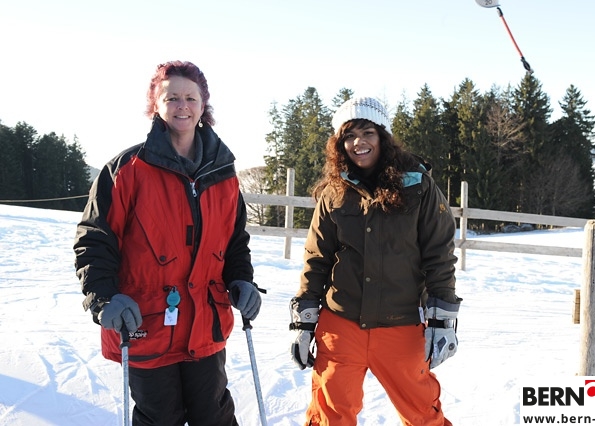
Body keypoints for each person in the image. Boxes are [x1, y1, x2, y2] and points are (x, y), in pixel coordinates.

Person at [73, 60, 262, 426]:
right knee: (160, 418)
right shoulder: (127, 170)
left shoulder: (223, 174)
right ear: (155, 105)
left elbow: (235, 241)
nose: (182, 106)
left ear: (203, 105)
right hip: (145, 324)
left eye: (190, 98)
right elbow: (94, 240)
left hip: (205, 323)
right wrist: (104, 297)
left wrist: (241, 279)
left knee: (214, 416)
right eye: (171, 97)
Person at [289, 96, 461, 426]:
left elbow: (439, 254)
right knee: (330, 416)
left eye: (367, 133)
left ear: (383, 136)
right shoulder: (334, 192)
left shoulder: (418, 186)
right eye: (349, 136)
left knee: (423, 415)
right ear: (339, 143)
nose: (359, 143)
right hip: (341, 325)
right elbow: (317, 259)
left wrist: (442, 321)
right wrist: (304, 323)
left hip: (401, 324)